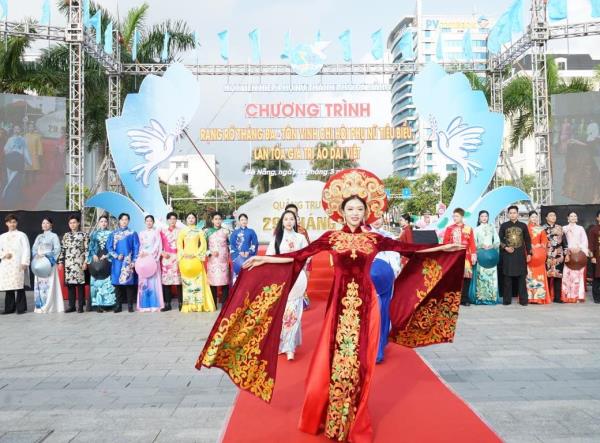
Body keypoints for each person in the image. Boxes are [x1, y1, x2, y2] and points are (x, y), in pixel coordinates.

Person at [196, 168, 466, 442]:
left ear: (366, 212)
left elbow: (410, 250)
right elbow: (298, 256)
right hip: (338, 307)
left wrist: (445, 249)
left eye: (359, 209)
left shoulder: (375, 239)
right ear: (342, 212)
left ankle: (354, 418)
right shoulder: (331, 238)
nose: (355, 213)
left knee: (359, 363)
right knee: (336, 360)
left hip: (366, 307)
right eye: (350, 209)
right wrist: (264, 259)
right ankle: (334, 416)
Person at [266, 210, 308, 361]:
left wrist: (297, 263)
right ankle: (282, 343)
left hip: (297, 278)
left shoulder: (301, 238)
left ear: (295, 221)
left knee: (293, 312)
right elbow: (270, 256)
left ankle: (290, 347)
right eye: (286, 219)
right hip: (281, 278)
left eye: (292, 219)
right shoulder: (277, 238)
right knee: (282, 313)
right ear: (282, 222)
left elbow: (307, 257)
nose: (289, 222)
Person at [369, 216, 401, 363]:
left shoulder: (388, 235)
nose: (377, 221)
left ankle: (379, 349)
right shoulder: (362, 234)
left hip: (385, 278)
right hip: (367, 279)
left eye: (379, 217)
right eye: (373, 217)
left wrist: (393, 272)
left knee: (383, 312)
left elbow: (395, 255)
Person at [177, 213, 214, 312]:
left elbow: (203, 244)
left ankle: (199, 305)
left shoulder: (199, 231)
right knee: (187, 283)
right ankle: (189, 305)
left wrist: (196, 254)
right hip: (185, 259)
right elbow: (179, 244)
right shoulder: (183, 231)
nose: (191, 219)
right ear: (186, 219)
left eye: (192, 218)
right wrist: (183, 253)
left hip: (196, 258)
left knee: (198, 282)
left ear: (195, 219)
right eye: (189, 218)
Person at [443, 207, 477, 306]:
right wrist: (451, 247)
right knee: (454, 278)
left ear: (462, 216)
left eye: (457, 216)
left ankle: (464, 298)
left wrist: (474, 254)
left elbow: (472, 243)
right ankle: (453, 298)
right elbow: (445, 242)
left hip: (466, 256)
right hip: (453, 256)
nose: (454, 218)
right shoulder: (449, 228)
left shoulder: (468, 228)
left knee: (467, 277)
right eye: (453, 216)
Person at [499, 205, 532, 306]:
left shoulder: (523, 225)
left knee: (522, 278)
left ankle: (523, 300)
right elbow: (499, 239)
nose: (512, 215)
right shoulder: (504, 226)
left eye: (514, 213)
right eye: (511, 213)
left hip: (520, 255)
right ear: (508, 214)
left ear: (517, 214)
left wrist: (529, 253)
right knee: (507, 278)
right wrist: (506, 247)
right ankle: (507, 300)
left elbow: (527, 240)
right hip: (508, 255)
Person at [107, 213, 139, 313]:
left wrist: (134, 260)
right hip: (117, 262)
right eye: (122, 219)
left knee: (129, 284)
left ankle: (130, 305)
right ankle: (118, 305)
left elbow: (136, 247)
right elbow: (109, 247)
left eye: (126, 219)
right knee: (117, 284)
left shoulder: (132, 233)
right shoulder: (113, 233)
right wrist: (116, 255)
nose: (124, 221)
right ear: (119, 221)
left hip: (128, 261)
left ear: (128, 221)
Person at [32, 217, 64, 313]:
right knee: (39, 284)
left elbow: (57, 249)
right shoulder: (39, 236)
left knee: (49, 283)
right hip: (39, 262)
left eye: (47, 223)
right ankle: (40, 305)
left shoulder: (54, 236)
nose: (45, 225)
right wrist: (36, 255)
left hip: (49, 263)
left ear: (51, 225)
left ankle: (49, 305)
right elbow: (34, 248)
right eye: (43, 223)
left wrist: (47, 256)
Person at [0, 214, 30, 314]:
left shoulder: (22, 235)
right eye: (10, 222)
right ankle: (9, 308)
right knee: (9, 287)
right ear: (6, 223)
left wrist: (25, 262)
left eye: (14, 222)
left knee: (19, 285)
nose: (12, 224)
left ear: (16, 223)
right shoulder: (2, 236)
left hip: (18, 263)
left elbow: (26, 249)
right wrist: (4, 254)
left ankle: (21, 308)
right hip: (6, 264)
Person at [58, 214, 89, 313]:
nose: (72, 224)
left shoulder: (84, 235)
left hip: (79, 264)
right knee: (70, 285)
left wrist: (85, 262)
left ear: (78, 223)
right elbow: (62, 249)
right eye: (71, 223)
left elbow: (87, 250)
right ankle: (71, 306)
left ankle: (80, 306)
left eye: (74, 222)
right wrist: (60, 262)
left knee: (80, 285)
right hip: (69, 264)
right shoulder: (66, 235)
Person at [284, 203, 312, 310]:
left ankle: (301, 302)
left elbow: (308, 248)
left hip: (301, 262)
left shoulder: (302, 231)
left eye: (294, 214)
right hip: (286, 262)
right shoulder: (280, 232)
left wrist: (306, 260)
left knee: (300, 281)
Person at [469, 210, 500, 305]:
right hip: (481, 255)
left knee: (491, 277)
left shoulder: (492, 228)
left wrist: (492, 245)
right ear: (479, 218)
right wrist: (481, 245)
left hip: (491, 256)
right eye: (482, 216)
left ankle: (492, 298)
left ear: (488, 217)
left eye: (486, 216)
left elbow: (497, 241)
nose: (484, 218)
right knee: (481, 277)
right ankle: (480, 298)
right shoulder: (476, 229)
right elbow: (473, 243)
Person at [87, 215, 116, 312]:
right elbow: (90, 246)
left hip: (107, 260)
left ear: (107, 223)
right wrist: (93, 254)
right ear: (98, 223)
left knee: (107, 282)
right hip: (96, 260)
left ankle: (108, 305)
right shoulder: (94, 234)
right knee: (96, 282)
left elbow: (113, 247)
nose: (103, 223)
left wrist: (107, 255)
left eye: (105, 221)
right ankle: (97, 305)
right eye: (101, 221)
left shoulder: (111, 234)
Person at [136, 215, 164, 312]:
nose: (149, 222)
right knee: (143, 281)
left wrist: (150, 254)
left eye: (150, 221)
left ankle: (155, 304)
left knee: (153, 281)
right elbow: (140, 246)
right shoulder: (141, 233)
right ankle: (144, 305)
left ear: (153, 222)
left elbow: (158, 245)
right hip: (143, 259)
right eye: (147, 221)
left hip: (152, 259)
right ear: (145, 222)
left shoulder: (156, 232)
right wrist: (141, 253)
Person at [2, 125, 32, 209]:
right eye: (15, 129)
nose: (16, 130)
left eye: (18, 129)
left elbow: (25, 151)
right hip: (13, 160)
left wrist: (29, 162)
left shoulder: (22, 139)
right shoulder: (11, 139)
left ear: (20, 130)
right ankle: (11, 200)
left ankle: (10, 199)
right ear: (13, 130)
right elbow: (6, 149)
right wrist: (29, 162)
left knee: (14, 180)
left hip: (16, 160)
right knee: (12, 180)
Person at [562, 211, 589, 303]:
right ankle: (566, 295)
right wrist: (567, 250)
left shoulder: (580, 228)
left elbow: (584, 241)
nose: (573, 217)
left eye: (575, 216)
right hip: (568, 254)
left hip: (578, 255)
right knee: (567, 275)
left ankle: (577, 296)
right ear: (568, 218)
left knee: (577, 276)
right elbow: (562, 241)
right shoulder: (564, 228)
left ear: (577, 218)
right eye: (571, 216)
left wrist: (579, 248)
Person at [205, 211, 231, 308]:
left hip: (223, 260)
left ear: (222, 220)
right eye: (215, 219)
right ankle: (213, 304)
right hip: (212, 260)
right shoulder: (207, 232)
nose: (218, 221)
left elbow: (230, 244)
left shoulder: (226, 231)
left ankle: (224, 304)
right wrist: (210, 253)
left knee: (225, 282)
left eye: (219, 219)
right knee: (212, 282)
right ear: (212, 220)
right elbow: (203, 247)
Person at [526, 211, 551, 304]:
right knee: (529, 275)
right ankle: (529, 297)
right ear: (529, 218)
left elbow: (545, 240)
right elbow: (524, 240)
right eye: (532, 217)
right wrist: (530, 246)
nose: (534, 219)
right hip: (529, 254)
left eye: (536, 217)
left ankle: (540, 298)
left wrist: (540, 244)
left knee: (539, 276)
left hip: (539, 255)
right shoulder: (526, 228)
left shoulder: (540, 228)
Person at [160, 212, 182, 311]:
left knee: (179, 282)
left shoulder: (180, 231)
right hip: (167, 258)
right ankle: (167, 304)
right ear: (167, 220)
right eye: (170, 219)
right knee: (166, 282)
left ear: (176, 220)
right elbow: (158, 244)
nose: (172, 221)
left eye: (174, 219)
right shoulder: (162, 231)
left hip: (178, 258)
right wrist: (162, 252)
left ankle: (181, 303)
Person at [544, 210, 567, 303]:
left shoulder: (560, 227)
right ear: (546, 218)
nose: (553, 217)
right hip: (547, 254)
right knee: (547, 275)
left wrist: (566, 253)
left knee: (558, 276)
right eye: (551, 215)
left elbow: (564, 242)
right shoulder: (542, 228)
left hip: (559, 255)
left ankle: (557, 297)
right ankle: (547, 296)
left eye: (554, 215)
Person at [229, 213, 258, 283]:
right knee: (238, 276)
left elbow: (255, 243)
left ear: (247, 221)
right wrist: (239, 253)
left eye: (245, 220)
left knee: (248, 276)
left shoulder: (251, 231)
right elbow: (232, 245)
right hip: (237, 257)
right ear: (239, 221)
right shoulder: (235, 232)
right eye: (242, 220)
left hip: (249, 256)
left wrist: (249, 252)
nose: (244, 221)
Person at [588, 210, 600, 304]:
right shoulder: (593, 229)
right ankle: (597, 298)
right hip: (597, 257)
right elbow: (590, 245)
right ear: (597, 218)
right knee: (597, 278)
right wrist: (592, 257)